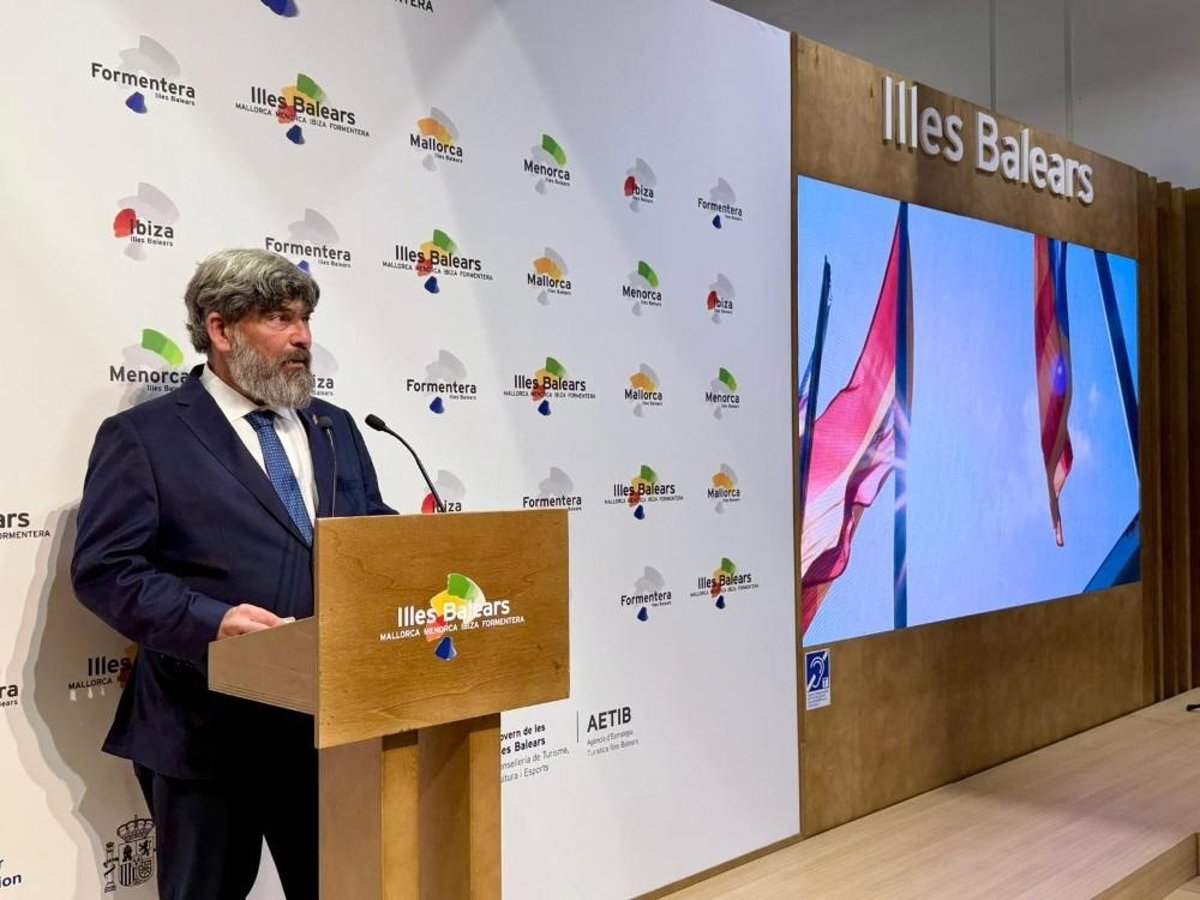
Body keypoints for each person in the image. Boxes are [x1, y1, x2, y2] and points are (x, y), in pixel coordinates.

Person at [71, 248, 394, 899]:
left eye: (305, 319)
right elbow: (107, 569)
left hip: (326, 725)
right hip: (204, 729)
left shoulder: (335, 428)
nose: (303, 337)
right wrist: (212, 621)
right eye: (279, 318)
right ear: (221, 329)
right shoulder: (145, 436)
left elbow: (371, 534)